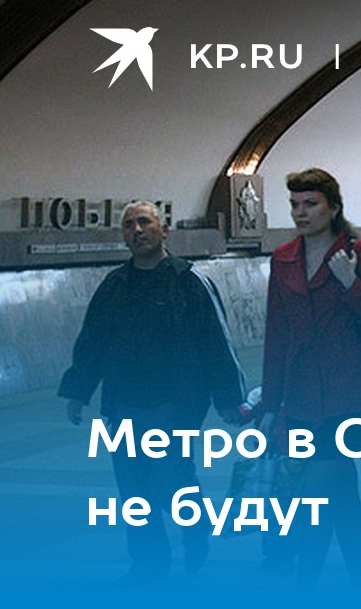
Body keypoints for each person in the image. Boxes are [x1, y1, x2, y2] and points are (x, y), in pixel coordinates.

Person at [58, 201, 246, 583]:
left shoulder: (189, 282)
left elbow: (216, 343)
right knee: (134, 492)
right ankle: (148, 565)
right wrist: (78, 390)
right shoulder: (115, 285)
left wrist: (230, 399)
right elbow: (93, 340)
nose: (137, 230)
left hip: (175, 406)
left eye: (144, 222)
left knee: (169, 481)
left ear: (164, 230)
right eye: (129, 225)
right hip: (124, 405)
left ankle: (194, 525)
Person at [260, 168, 361, 590]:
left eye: (311, 204)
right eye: (295, 205)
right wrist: (270, 405)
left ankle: (305, 587)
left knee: (317, 493)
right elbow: (277, 334)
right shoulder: (283, 258)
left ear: (334, 207)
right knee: (341, 491)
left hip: (350, 393)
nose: (301, 212)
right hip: (301, 394)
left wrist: (350, 282)